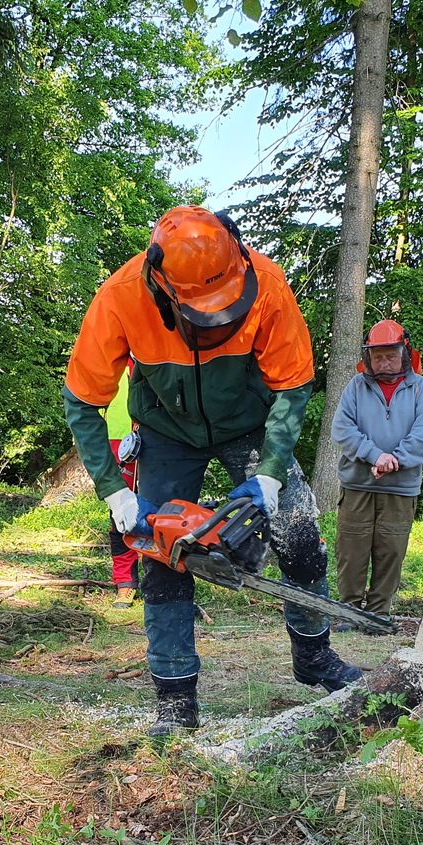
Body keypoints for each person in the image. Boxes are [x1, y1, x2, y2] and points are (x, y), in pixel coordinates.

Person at [63, 205, 362, 738]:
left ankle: (314, 656)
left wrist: (269, 475)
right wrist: (115, 494)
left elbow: (294, 386)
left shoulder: (266, 285)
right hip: (165, 432)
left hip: (247, 426)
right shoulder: (121, 296)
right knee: (161, 552)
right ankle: (176, 697)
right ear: (162, 281)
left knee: (298, 532)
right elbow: (83, 401)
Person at [330, 319, 423, 617]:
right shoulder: (356, 387)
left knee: (391, 551)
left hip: (400, 487)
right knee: (351, 551)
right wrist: (374, 456)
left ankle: (379, 613)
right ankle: (349, 611)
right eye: (377, 356)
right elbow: (342, 429)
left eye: (390, 355)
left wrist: (396, 460)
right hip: (357, 484)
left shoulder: (419, 388)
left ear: (404, 353)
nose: (384, 362)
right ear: (368, 357)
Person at [104, 366, 140, 607]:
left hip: (162, 440)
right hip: (118, 444)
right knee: (120, 516)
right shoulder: (109, 356)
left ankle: (166, 582)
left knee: (164, 512)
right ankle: (125, 583)